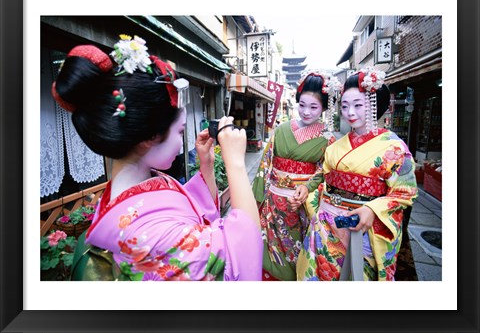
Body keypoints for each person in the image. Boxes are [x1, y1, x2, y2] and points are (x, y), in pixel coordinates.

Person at [52, 34, 262, 281]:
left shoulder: (137, 186)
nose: (181, 141)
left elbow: (187, 212)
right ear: (149, 136)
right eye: (180, 131)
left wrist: (206, 166)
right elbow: (241, 249)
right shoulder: (148, 235)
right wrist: (235, 164)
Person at [296, 67, 418, 281]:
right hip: (325, 225)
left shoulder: (394, 148)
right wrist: (314, 203)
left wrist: (372, 209)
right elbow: (324, 178)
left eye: (358, 105)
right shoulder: (335, 147)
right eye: (345, 106)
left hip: (363, 228)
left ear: (373, 105)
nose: (350, 112)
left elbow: (404, 193)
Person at [251, 72, 338, 281]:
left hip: (302, 206)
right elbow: (266, 164)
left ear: (325, 108)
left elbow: (326, 171)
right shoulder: (281, 130)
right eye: (302, 105)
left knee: (300, 253)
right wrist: (257, 201)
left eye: (314, 107)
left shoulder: (329, 138)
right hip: (273, 204)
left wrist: (308, 188)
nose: (306, 112)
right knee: (269, 252)